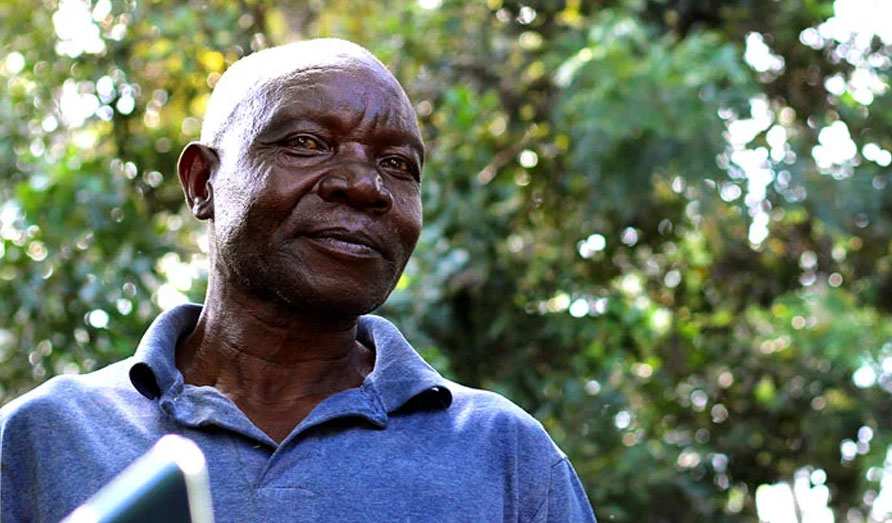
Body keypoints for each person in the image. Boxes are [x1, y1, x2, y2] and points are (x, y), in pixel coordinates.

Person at [0, 38, 596, 522]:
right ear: (202, 182)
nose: (365, 186)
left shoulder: (505, 456)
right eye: (307, 144)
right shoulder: (44, 439)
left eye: (397, 164)